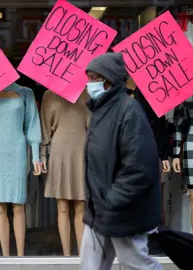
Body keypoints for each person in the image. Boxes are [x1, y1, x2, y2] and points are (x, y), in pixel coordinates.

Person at [80, 53, 163, 270]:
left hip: (123, 210)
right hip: (99, 210)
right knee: (91, 265)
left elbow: (139, 167)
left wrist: (113, 200)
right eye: (88, 77)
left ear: (109, 80)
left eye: (94, 78)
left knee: (136, 264)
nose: (90, 83)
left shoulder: (129, 112)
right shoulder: (100, 111)